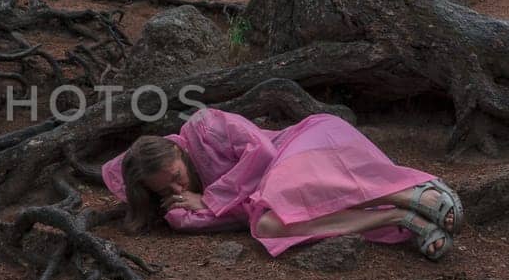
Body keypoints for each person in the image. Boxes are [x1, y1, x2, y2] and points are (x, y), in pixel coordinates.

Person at [101, 107, 463, 260]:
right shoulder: (181, 206)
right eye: (165, 191)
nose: (177, 191)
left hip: (305, 146)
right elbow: (237, 219)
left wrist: (210, 198)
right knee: (268, 225)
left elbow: (262, 152)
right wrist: (186, 210)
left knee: (290, 189)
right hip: (278, 193)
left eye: (176, 178)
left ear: (176, 152)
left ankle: (412, 192)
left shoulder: (206, 126)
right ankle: (401, 217)